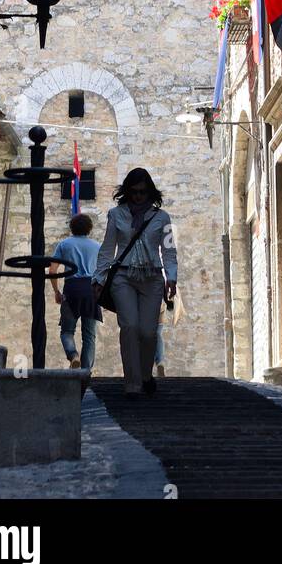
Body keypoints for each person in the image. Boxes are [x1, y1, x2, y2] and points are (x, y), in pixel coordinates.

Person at [92, 168, 177, 397]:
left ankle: (145, 375)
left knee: (148, 332)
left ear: (150, 192)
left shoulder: (163, 218)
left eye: (142, 192)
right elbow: (108, 248)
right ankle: (133, 382)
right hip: (123, 277)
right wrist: (99, 278)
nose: (138, 196)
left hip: (152, 278)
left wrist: (172, 277)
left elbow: (169, 250)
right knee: (129, 326)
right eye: (134, 192)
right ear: (127, 192)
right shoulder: (115, 215)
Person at [49, 213, 103, 375]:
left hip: (71, 289)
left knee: (67, 331)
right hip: (92, 290)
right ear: (90, 228)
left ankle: (73, 355)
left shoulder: (64, 244)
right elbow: (104, 272)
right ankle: (86, 372)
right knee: (89, 336)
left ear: (71, 228)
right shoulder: (97, 246)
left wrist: (57, 292)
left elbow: (52, 270)